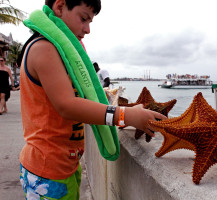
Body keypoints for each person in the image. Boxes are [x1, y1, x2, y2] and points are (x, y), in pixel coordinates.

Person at [18, 0, 166, 199]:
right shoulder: (43, 48)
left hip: (64, 165)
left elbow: (79, 96)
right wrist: (126, 115)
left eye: (91, 22)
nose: (87, 29)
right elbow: (67, 105)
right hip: (47, 171)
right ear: (60, 7)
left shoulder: (58, 50)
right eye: (83, 18)